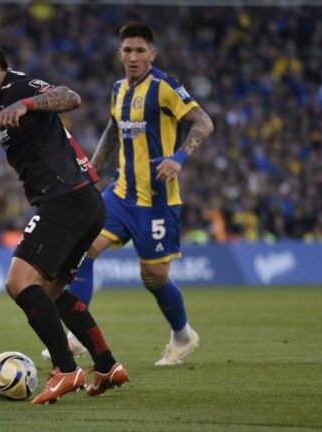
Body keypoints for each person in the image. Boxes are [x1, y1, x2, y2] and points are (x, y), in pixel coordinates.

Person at [0, 39, 129, 404]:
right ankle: (106, 365)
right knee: (52, 292)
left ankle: (66, 369)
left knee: (18, 282)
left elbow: (70, 96)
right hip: (82, 201)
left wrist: (26, 104)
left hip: (65, 199)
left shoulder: (17, 87)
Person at [68, 22, 215, 366]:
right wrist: (91, 171)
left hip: (158, 201)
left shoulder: (165, 87)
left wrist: (179, 159)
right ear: (119, 53)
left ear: (152, 54)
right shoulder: (118, 89)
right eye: (127, 50)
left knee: (154, 277)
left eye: (140, 50)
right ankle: (76, 332)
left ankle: (183, 335)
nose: (133, 57)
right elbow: (113, 130)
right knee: (82, 250)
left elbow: (204, 122)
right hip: (120, 194)